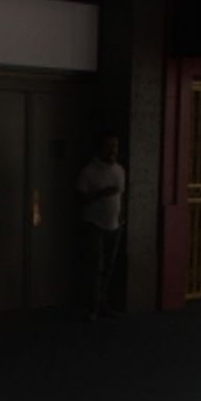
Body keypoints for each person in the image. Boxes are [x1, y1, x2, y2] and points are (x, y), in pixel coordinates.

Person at [77, 131, 126, 319]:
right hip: (94, 224)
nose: (113, 150)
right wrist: (102, 193)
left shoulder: (120, 170)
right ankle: (92, 306)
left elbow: (122, 197)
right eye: (109, 146)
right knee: (95, 266)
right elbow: (80, 198)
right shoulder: (89, 171)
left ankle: (103, 302)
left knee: (109, 267)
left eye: (116, 146)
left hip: (115, 225)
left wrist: (121, 217)